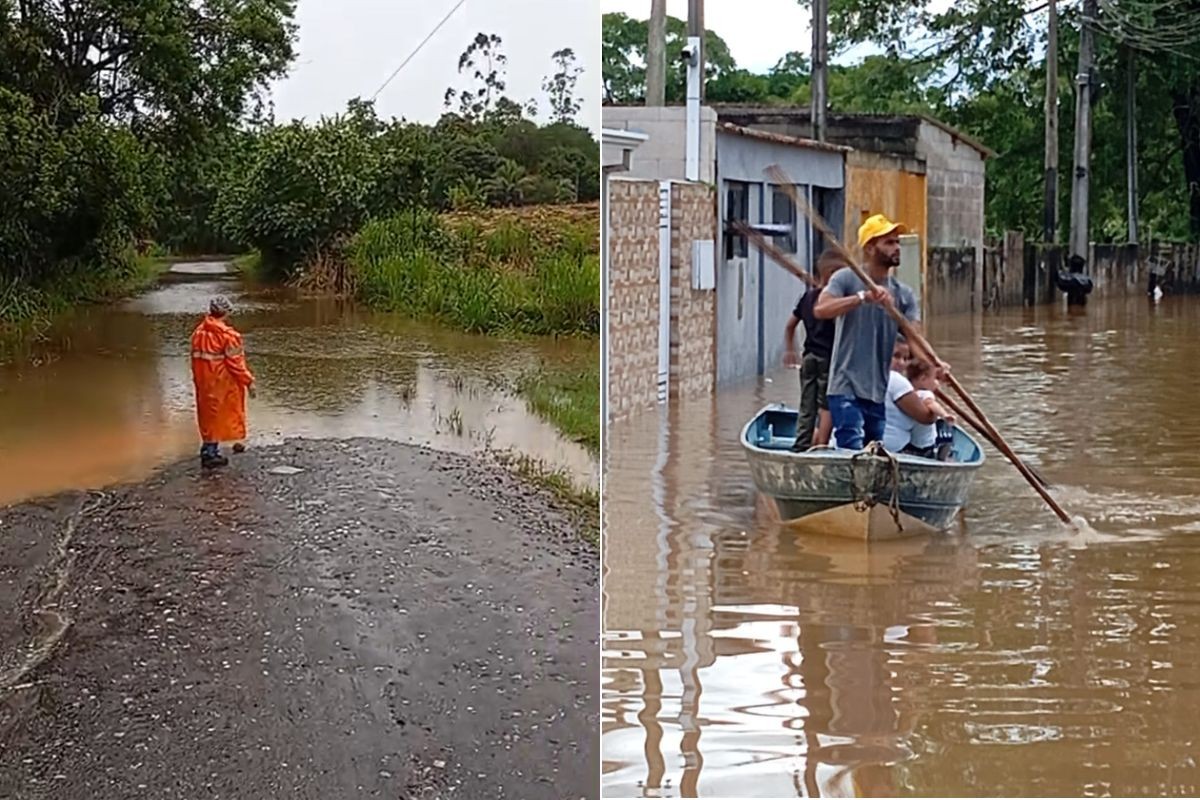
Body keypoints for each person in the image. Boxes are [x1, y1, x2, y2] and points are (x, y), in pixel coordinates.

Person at [815, 213, 946, 450]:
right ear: (870, 248)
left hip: (878, 390)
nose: (897, 247)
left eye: (897, 242)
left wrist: (934, 367)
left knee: (874, 452)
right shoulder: (846, 279)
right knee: (851, 450)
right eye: (889, 242)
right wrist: (862, 298)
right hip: (845, 386)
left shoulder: (903, 294)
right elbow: (821, 309)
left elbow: (914, 338)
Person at [783, 249, 845, 451]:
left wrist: (790, 349)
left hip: (809, 357)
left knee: (807, 405)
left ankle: (800, 446)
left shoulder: (808, 297)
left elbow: (790, 325)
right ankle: (821, 446)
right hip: (828, 360)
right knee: (827, 405)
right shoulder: (834, 303)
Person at [191, 295, 255, 469]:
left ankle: (208, 450)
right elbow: (236, 364)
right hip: (221, 382)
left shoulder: (198, 332)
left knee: (207, 416)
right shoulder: (229, 336)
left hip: (203, 382)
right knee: (219, 416)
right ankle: (210, 454)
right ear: (226, 312)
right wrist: (249, 381)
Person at [883, 348, 956, 458]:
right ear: (922, 378)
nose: (937, 384)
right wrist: (944, 414)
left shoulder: (908, 391)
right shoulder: (925, 394)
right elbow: (932, 405)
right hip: (924, 446)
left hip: (911, 444)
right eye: (935, 379)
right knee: (945, 444)